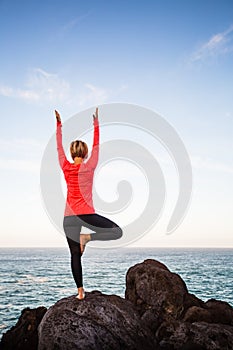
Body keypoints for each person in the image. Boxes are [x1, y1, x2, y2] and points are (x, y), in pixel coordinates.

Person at [55, 108, 123, 300]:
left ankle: (80, 292)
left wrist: (59, 125)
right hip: (86, 214)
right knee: (116, 231)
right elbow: (97, 145)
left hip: (69, 217)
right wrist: (96, 124)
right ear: (84, 153)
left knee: (74, 255)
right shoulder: (90, 165)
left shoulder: (65, 166)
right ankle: (88, 238)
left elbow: (58, 147)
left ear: (71, 153)